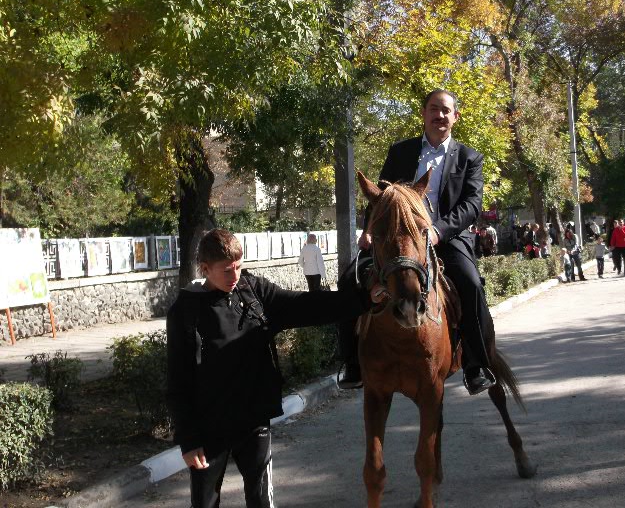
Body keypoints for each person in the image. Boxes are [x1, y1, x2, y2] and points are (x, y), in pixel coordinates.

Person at [166, 228, 365, 508]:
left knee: (261, 499)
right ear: (205, 268)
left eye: (238, 266)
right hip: (209, 427)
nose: (234, 275)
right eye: (226, 270)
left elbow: (305, 306)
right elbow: (178, 380)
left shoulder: (253, 292)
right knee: (205, 502)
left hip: (253, 419)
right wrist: (188, 439)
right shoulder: (185, 312)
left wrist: (363, 300)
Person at [339, 89, 497, 395]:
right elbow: (381, 196)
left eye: (446, 110)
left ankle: (476, 364)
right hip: (399, 236)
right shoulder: (400, 151)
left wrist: (438, 230)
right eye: (434, 109)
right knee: (350, 278)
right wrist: (369, 230)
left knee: (471, 282)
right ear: (424, 114)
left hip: (447, 237)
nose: (440, 115)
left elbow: (472, 205)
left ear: (455, 116)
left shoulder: (469, 158)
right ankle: (351, 362)